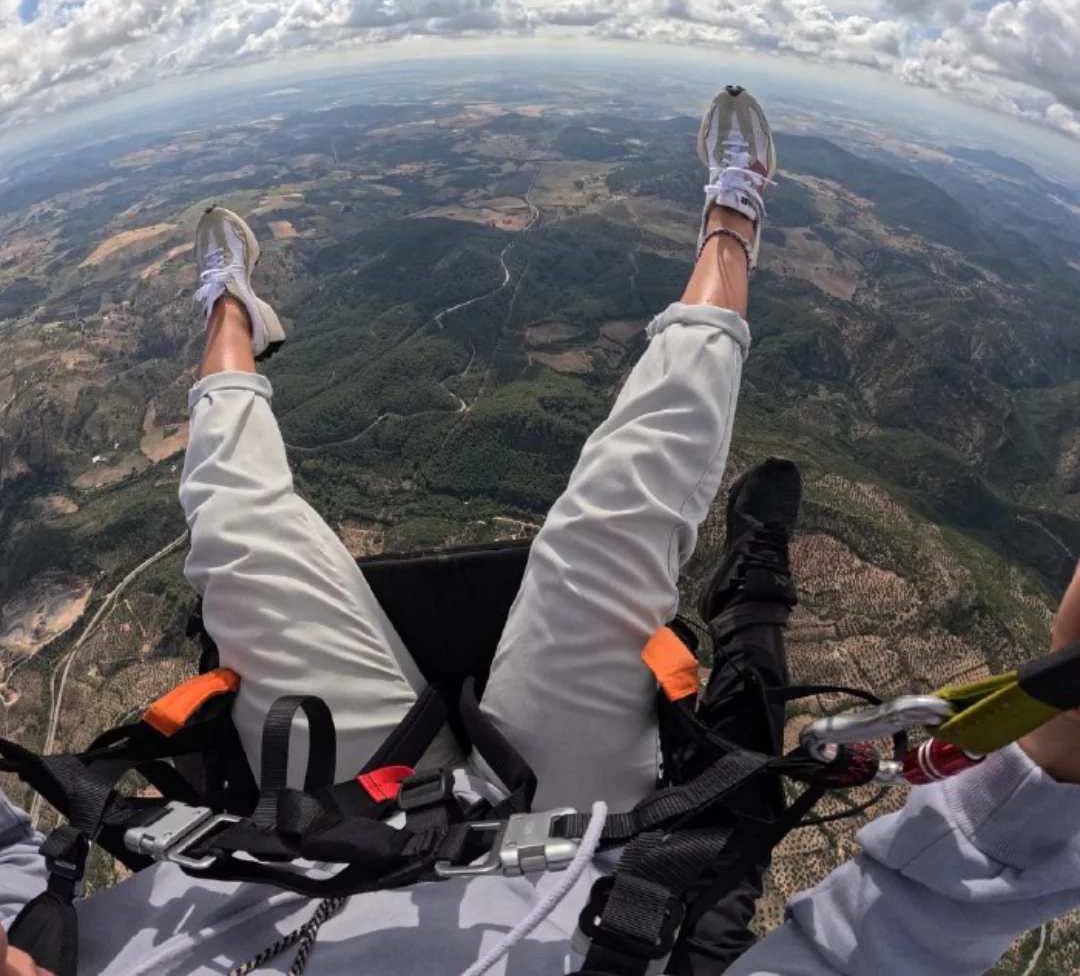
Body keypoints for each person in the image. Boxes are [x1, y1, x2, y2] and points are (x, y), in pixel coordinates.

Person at [2, 86, 1079, 976]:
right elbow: (877, 942)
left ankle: (230, 313)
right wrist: (1052, 765)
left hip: (292, 832)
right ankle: (732, 224)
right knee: (617, 518)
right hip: (582, 841)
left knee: (233, 519)